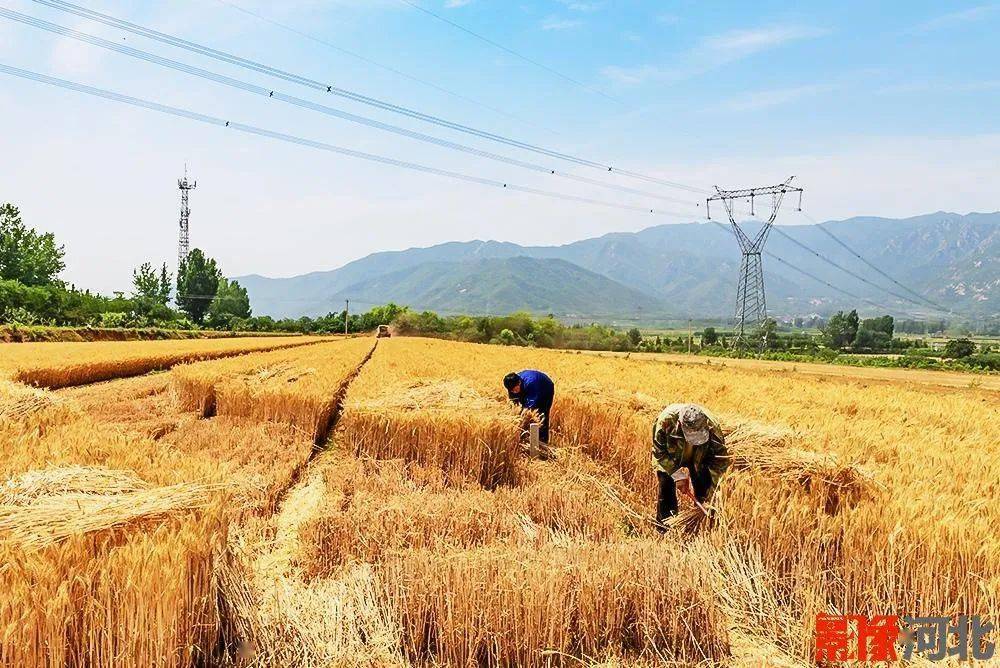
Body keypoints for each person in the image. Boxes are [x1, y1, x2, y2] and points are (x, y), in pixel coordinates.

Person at [651, 403, 729, 527]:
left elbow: (719, 462)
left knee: (704, 488)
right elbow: (659, 453)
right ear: (681, 425)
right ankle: (664, 527)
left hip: (700, 457)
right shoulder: (665, 422)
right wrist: (677, 475)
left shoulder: (713, 427)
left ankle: (701, 525)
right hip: (672, 456)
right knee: (666, 487)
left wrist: (712, 493)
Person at [503, 370, 554, 443]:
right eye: (511, 390)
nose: (513, 392)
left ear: (519, 383)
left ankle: (542, 442)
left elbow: (530, 406)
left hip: (545, 389)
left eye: (515, 389)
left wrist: (524, 420)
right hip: (530, 386)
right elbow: (514, 403)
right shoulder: (511, 384)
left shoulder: (532, 383)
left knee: (541, 415)